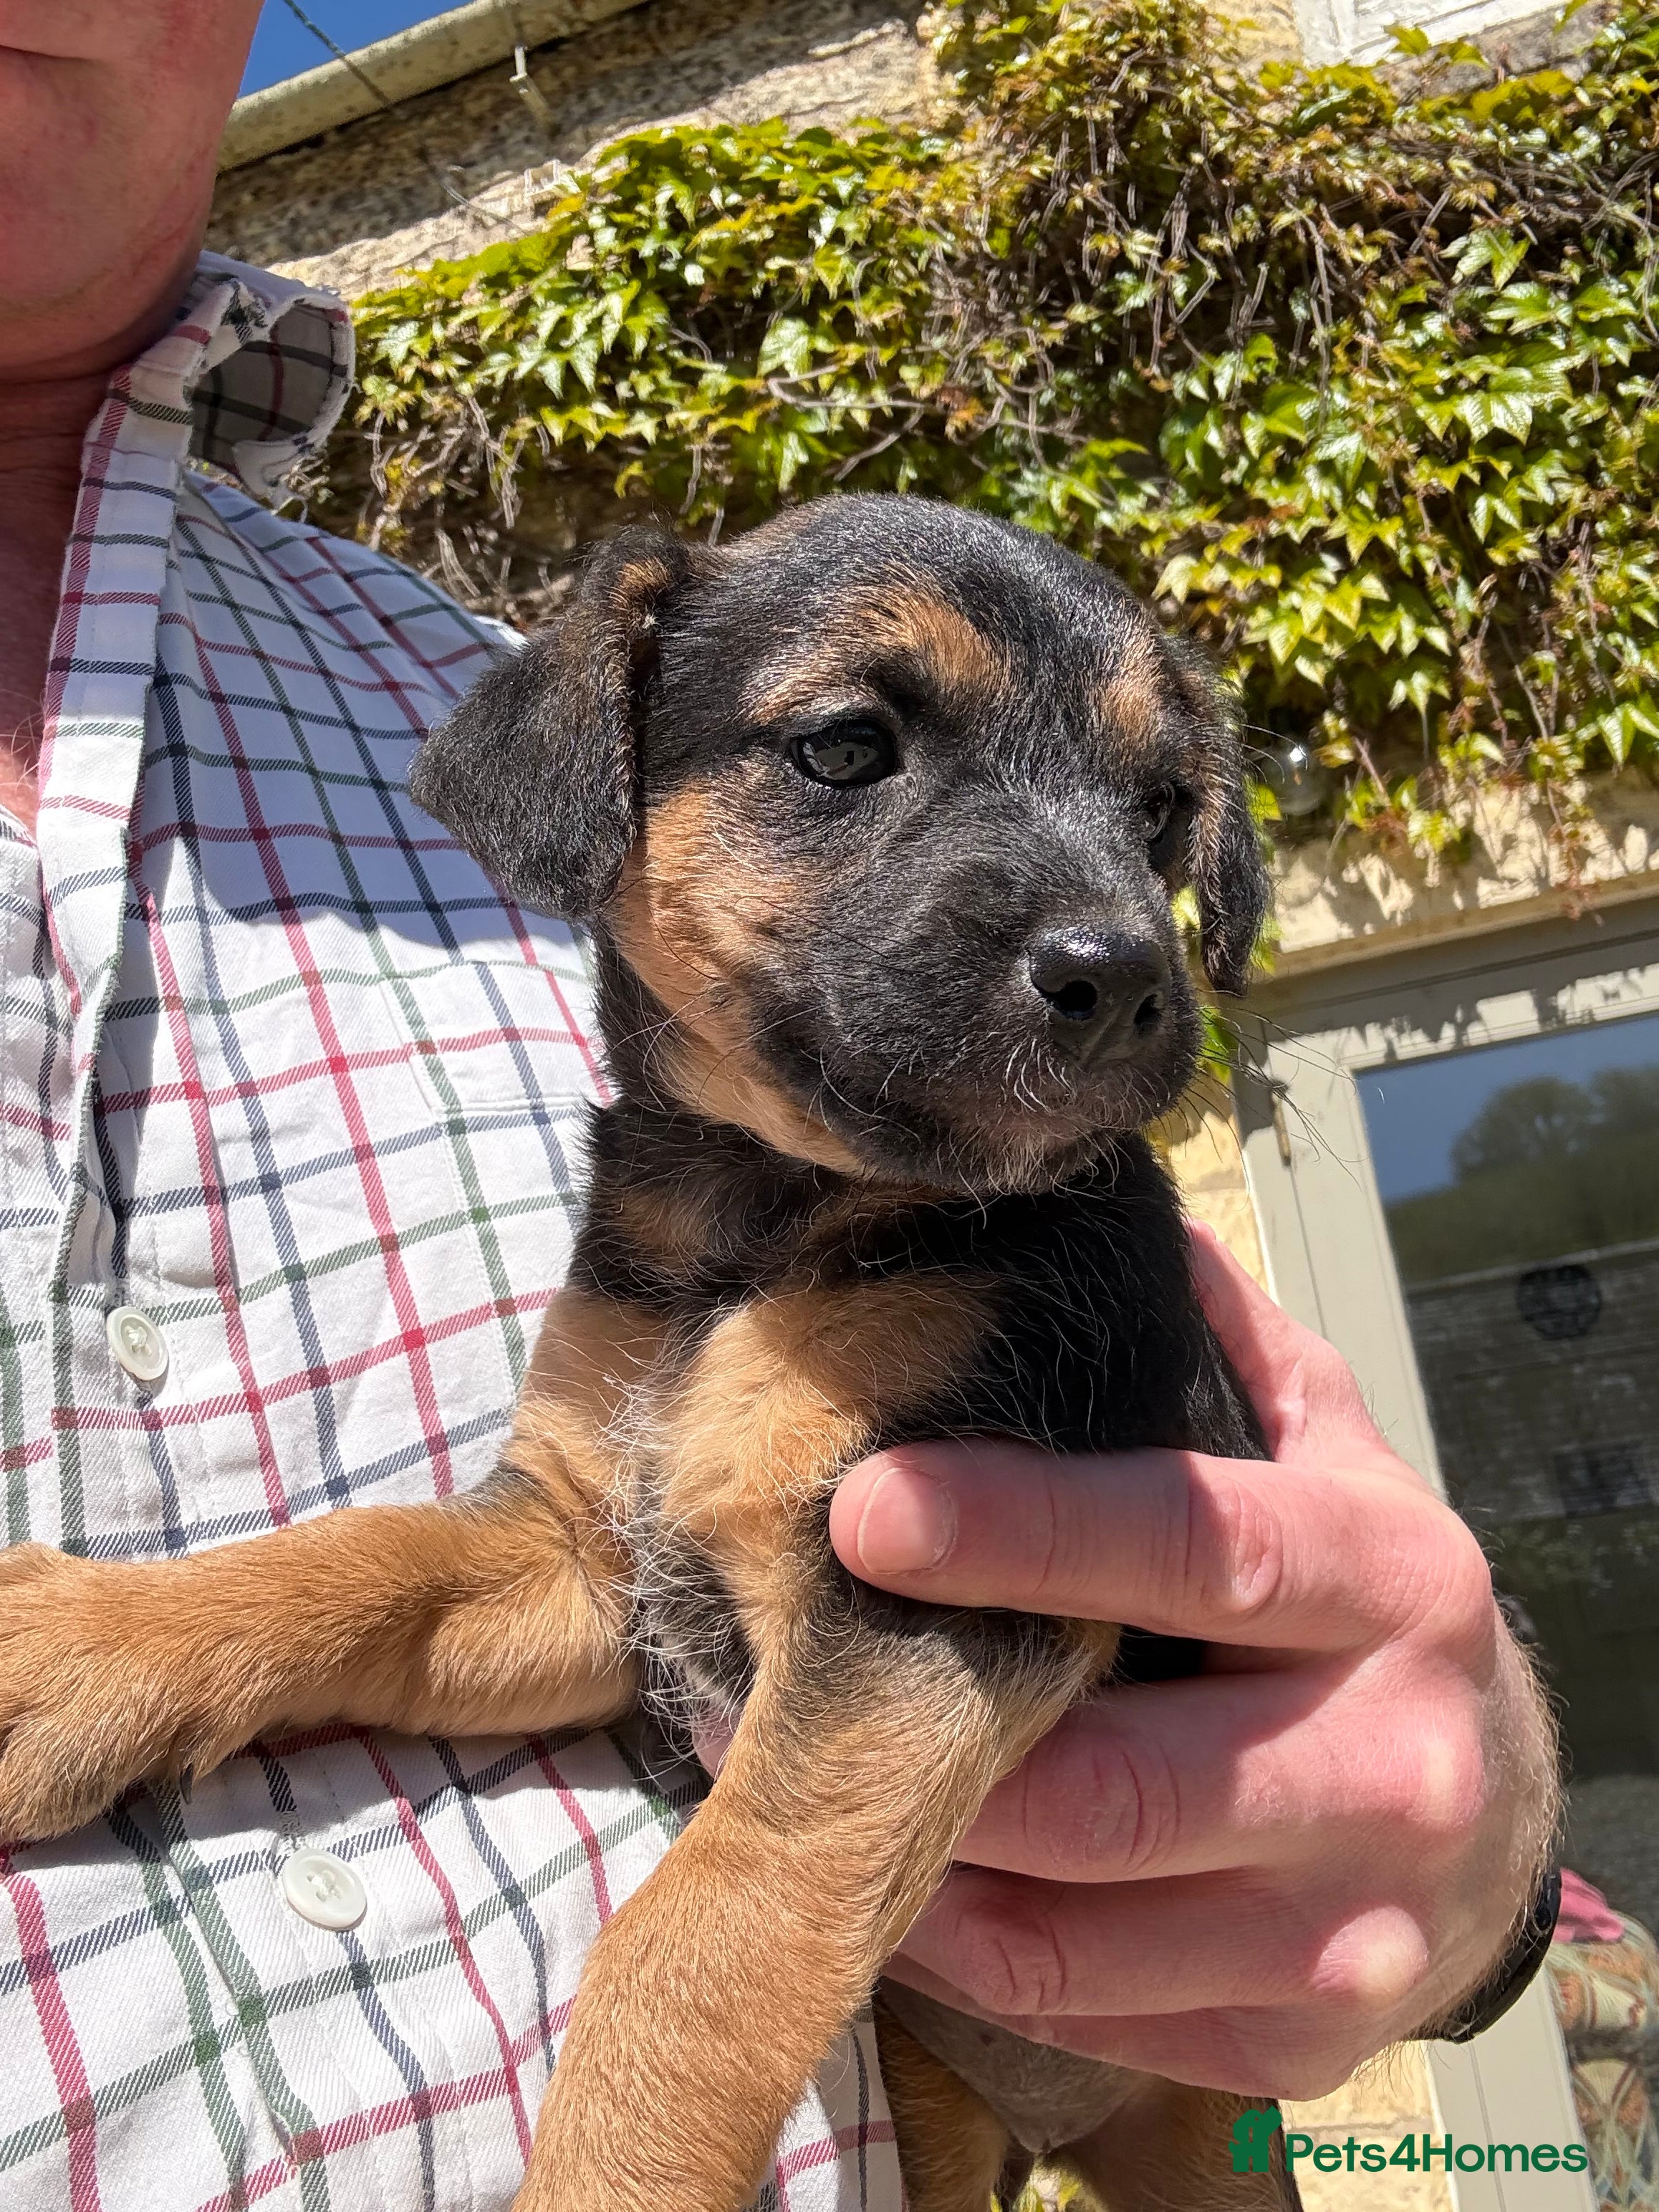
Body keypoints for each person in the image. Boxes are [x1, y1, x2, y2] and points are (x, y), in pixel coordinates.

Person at [0, 6, 1559, 2207]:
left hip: (1154, 2093)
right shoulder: (644, 1095)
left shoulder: (1036, 1259)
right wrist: (178, 1641)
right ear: (587, 810)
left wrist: (1482, 1846)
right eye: (851, 755)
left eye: (1143, 812)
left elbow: (924, 1658)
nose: (1099, 918)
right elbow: (570, 1589)